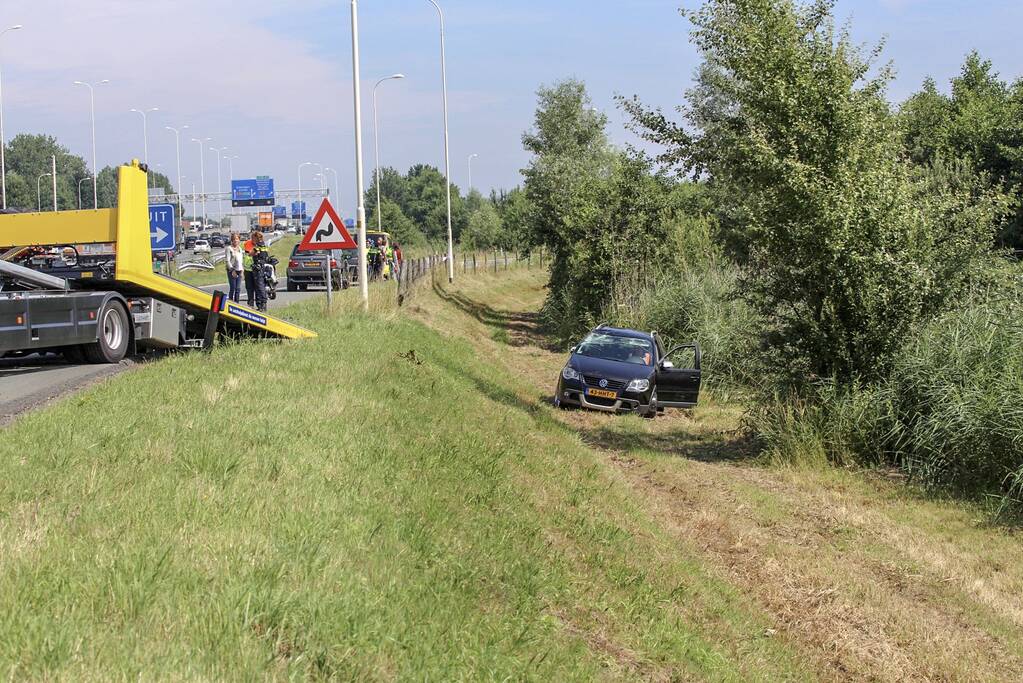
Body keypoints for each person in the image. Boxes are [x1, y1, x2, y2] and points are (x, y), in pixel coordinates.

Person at [249, 231, 277, 312]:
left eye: (253, 238)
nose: (252, 240)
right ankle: (263, 304)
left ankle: (263, 305)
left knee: (260, 286)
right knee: (262, 286)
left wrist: (251, 253)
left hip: (258, 268)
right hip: (264, 267)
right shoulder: (264, 245)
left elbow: (251, 254)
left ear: (256, 238)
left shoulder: (258, 246)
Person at [225, 233, 244, 303]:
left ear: (239, 240)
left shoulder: (240, 249)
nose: (236, 240)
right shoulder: (229, 248)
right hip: (232, 270)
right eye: (234, 239)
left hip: (239, 269)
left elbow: (241, 260)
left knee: (238, 289)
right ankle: (230, 303)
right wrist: (232, 270)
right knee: (233, 288)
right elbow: (227, 261)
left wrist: (242, 270)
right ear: (232, 240)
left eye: (237, 239)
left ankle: (237, 304)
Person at [243, 232, 256, 307]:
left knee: (256, 286)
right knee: (249, 287)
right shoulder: (247, 243)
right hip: (248, 269)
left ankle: (257, 302)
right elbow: (248, 253)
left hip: (256, 269)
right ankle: (250, 302)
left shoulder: (260, 244)